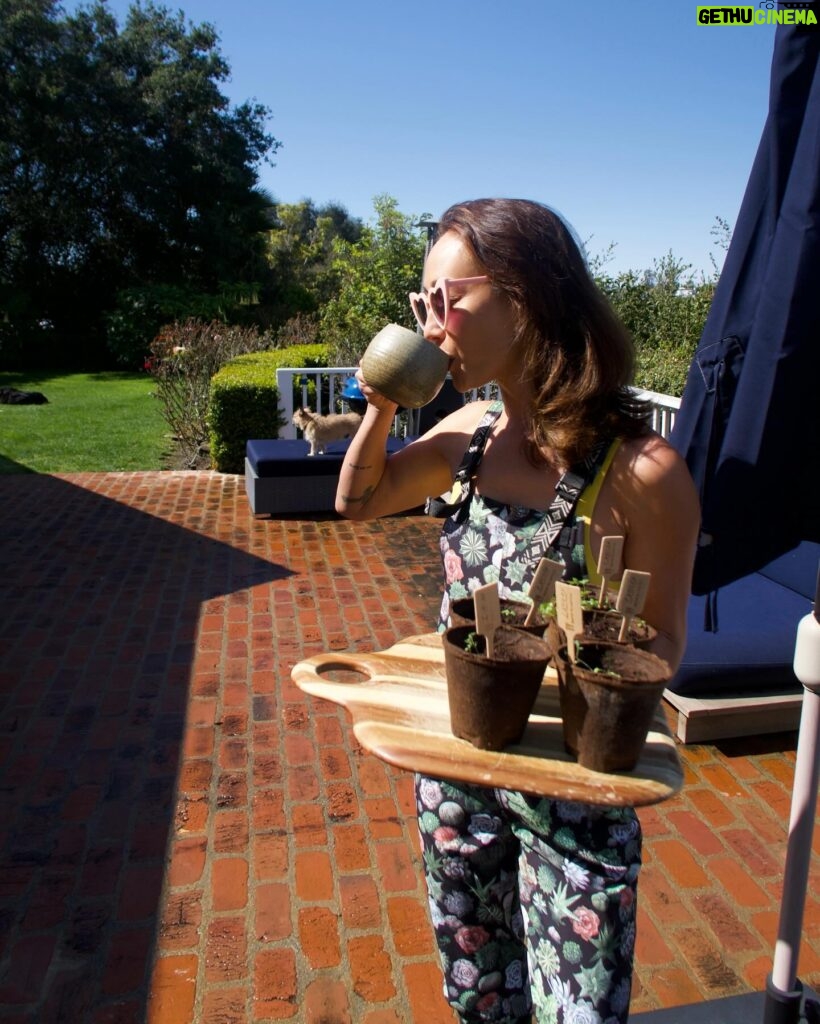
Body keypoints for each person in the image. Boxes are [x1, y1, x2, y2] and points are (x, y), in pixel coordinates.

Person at [335, 198, 699, 1024]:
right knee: (478, 1001)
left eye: (447, 298)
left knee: (577, 1011)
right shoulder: (469, 434)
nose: (431, 323)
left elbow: (667, 644)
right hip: (459, 786)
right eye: (420, 303)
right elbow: (359, 502)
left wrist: (591, 656)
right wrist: (383, 405)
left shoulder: (644, 473)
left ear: (526, 299)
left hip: (576, 800)